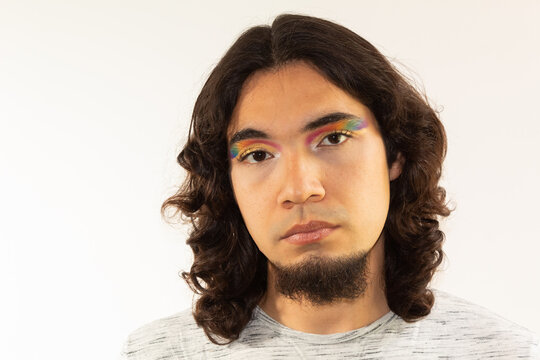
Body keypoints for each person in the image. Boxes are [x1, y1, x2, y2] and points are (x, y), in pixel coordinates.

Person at [120, 14, 539, 359]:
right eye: (257, 154)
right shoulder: (158, 353)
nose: (300, 188)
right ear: (226, 183)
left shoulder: (506, 353)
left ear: (395, 154)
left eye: (334, 138)